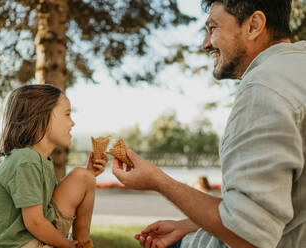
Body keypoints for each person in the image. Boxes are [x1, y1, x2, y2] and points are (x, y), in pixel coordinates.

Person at [112, 0, 306, 247]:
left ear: (254, 25)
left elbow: (248, 235)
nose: (205, 44)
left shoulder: (264, 88)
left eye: (213, 28)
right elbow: (281, 204)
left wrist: (158, 181)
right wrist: (189, 224)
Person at [0, 85, 108, 248]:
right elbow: (34, 222)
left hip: (37, 237)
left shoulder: (40, 159)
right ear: (43, 116)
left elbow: (50, 205)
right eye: (67, 114)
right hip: (19, 244)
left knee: (84, 177)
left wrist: (89, 174)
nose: (72, 122)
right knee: (83, 177)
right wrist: (66, 245)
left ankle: (83, 244)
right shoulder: (26, 160)